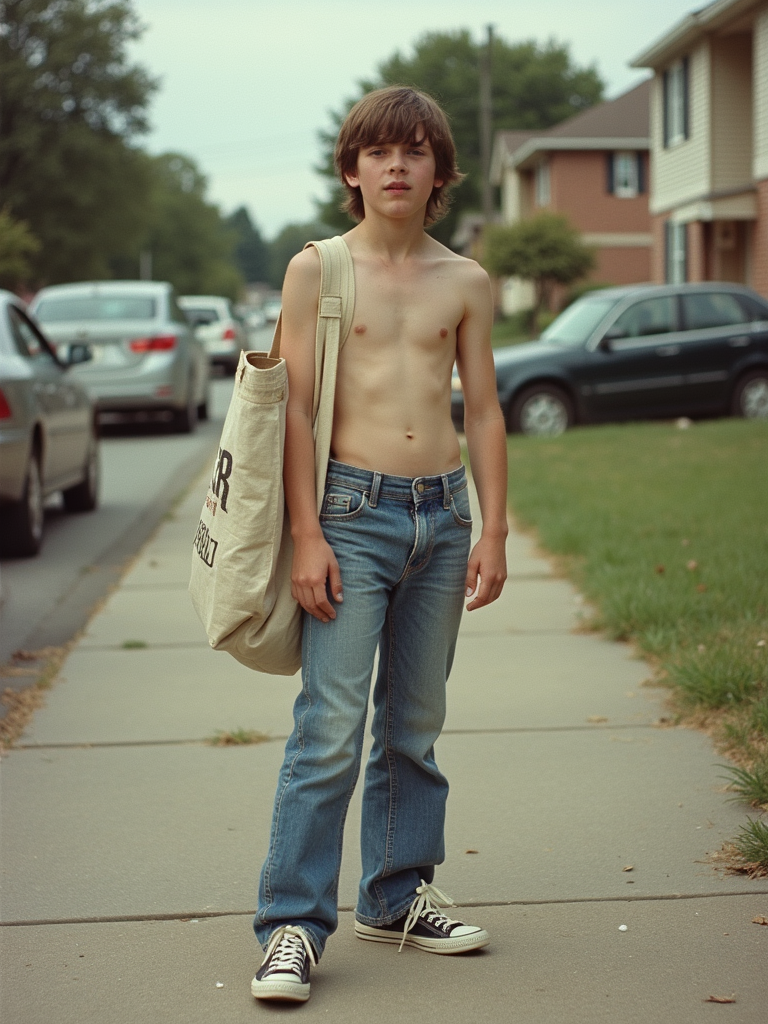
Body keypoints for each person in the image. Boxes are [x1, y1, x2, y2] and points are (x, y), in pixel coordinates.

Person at [251, 85, 508, 1003]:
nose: (397, 165)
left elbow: (481, 409)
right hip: (350, 516)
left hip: (442, 519)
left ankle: (397, 897)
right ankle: (290, 923)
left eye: (415, 151)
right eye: (378, 151)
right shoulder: (318, 269)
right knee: (328, 729)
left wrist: (494, 529)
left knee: (415, 724)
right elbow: (292, 410)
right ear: (352, 170)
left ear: (440, 171)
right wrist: (306, 533)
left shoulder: (465, 281)